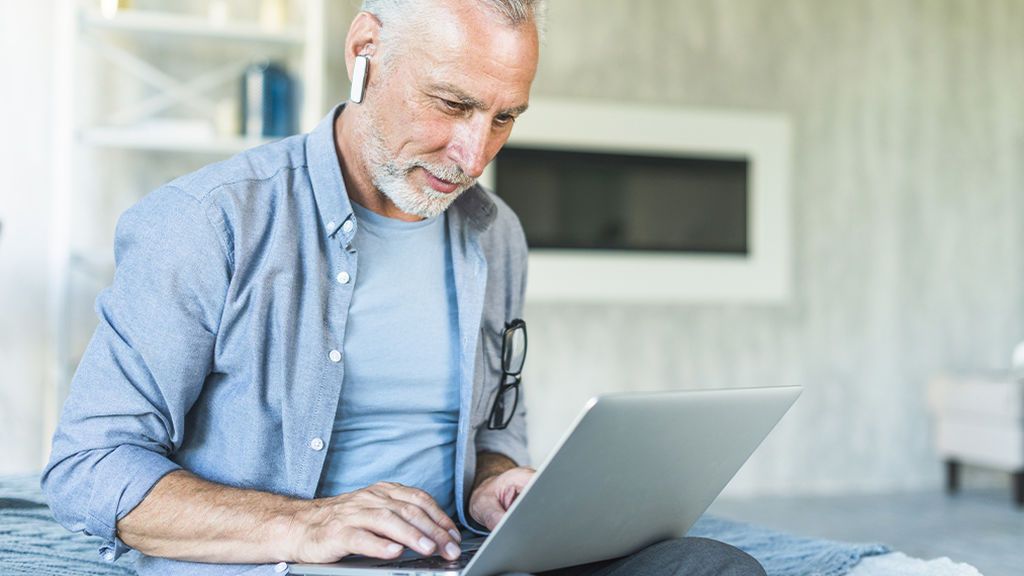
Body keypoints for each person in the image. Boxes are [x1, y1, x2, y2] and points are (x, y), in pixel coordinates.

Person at [42, 1, 766, 575]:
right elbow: (88, 468)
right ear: (365, 53)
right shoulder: (206, 223)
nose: (474, 154)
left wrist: (497, 484)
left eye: (504, 117)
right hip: (283, 564)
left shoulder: (494, 233)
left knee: (714, 567)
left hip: (461, 557)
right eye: (452, 104)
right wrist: (306, 523)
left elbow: (489, 434)